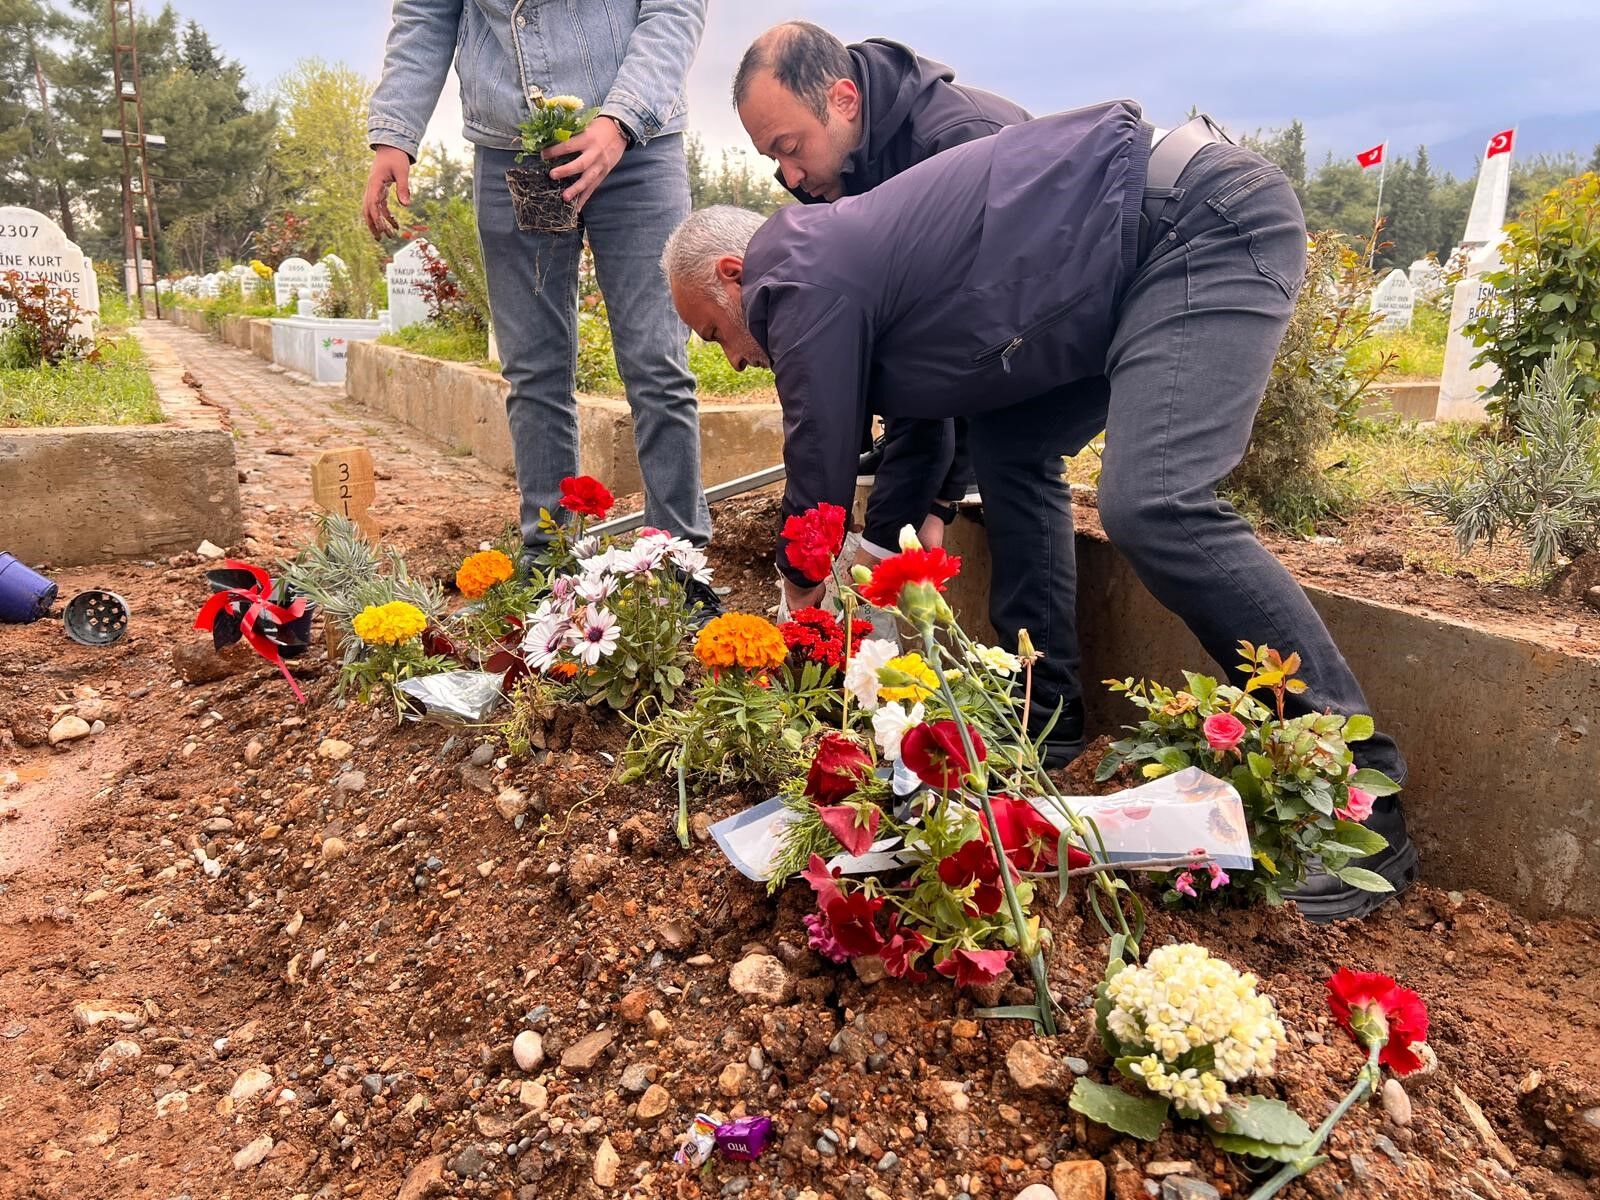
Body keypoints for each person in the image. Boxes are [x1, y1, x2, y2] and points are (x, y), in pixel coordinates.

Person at [660, 103, 1417, 921]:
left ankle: (1358, 801)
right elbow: (919, 436)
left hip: (1193, 222)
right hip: (1117, 267)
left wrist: (799, 601)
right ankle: (1048, 718)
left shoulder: (793, 271)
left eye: (714, 334)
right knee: (1011, 449)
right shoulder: (841, 275)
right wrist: (878, 600)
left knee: (1153, 502)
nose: (735, 357)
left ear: (735, 275)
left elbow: (821, 453)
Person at [363, 0, 718, 613]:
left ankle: (678, 565)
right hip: (514, 150)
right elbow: (426, 12)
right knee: (534, 370)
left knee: (656, 362)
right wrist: (395, 131)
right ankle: (550, 568)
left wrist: (619, 120)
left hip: (637, 145)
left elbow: (673, 9)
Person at [733, 21, 1029, 569]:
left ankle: (1041, 659)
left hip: (1045, 330)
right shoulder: (835, 173)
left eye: (791, 147)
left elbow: (963, 345)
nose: (789, 175)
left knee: (1018, 464)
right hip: (968, 356)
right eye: (773, 159)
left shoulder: (958, 143)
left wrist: (942, 498)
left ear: (844, 99)